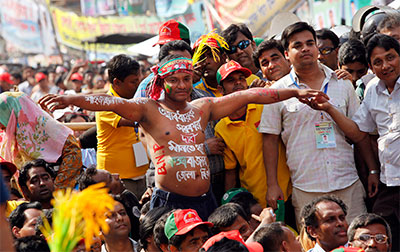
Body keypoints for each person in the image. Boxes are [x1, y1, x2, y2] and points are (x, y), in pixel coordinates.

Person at [39, 55, 327, 220]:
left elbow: (250, 94)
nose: (181, 85)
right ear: (162, 83)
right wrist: (69, 98)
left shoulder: (203, 108)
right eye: (174, 80)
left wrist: (295, 92)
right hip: (168, 202)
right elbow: (110, 103)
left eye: (186, 79)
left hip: (206, 200)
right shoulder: (148, 109)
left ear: (193, 81)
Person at [259, 22, 367, 226]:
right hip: (307, 188)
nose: (305, 48)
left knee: (356, 241)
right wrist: (272, 185)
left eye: (310, 43)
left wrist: (371, 171)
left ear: (317, 48)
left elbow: (358, 134)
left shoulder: (342, 82)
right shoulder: (278, 92)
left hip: (347, 183)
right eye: (297, 45)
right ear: (287, 53)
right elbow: (269, 139)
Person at [305, 33, 400, 252]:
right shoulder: (373, 90)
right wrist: (329, 108)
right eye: (378, 62)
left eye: (391, 57)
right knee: (382, 238)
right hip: (389, 183)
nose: (385, 65)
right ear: (371, 67)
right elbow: (358, 132)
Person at [214, 60, 291, 208]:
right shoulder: (221, 128)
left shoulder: (264, 106)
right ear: (221, 90)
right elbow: (231, 171)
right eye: (231, 80)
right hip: (255, 200)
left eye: (241, 79)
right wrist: (229, 205)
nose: (238, 83)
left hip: (286, 191)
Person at [0, 92, 82, 189]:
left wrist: (53, 192)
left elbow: (73, 155)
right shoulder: (10, 138)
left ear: (12, 113)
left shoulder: (53, 131)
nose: (0, 126)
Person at [96, 54, 148, 199]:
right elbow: (134, 119)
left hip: (142, 174)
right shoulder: (106, 103)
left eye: (140, 80)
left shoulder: (136, 99)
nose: (139, 85)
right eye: (134, 82)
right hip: (117, 178)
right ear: (117, 82)